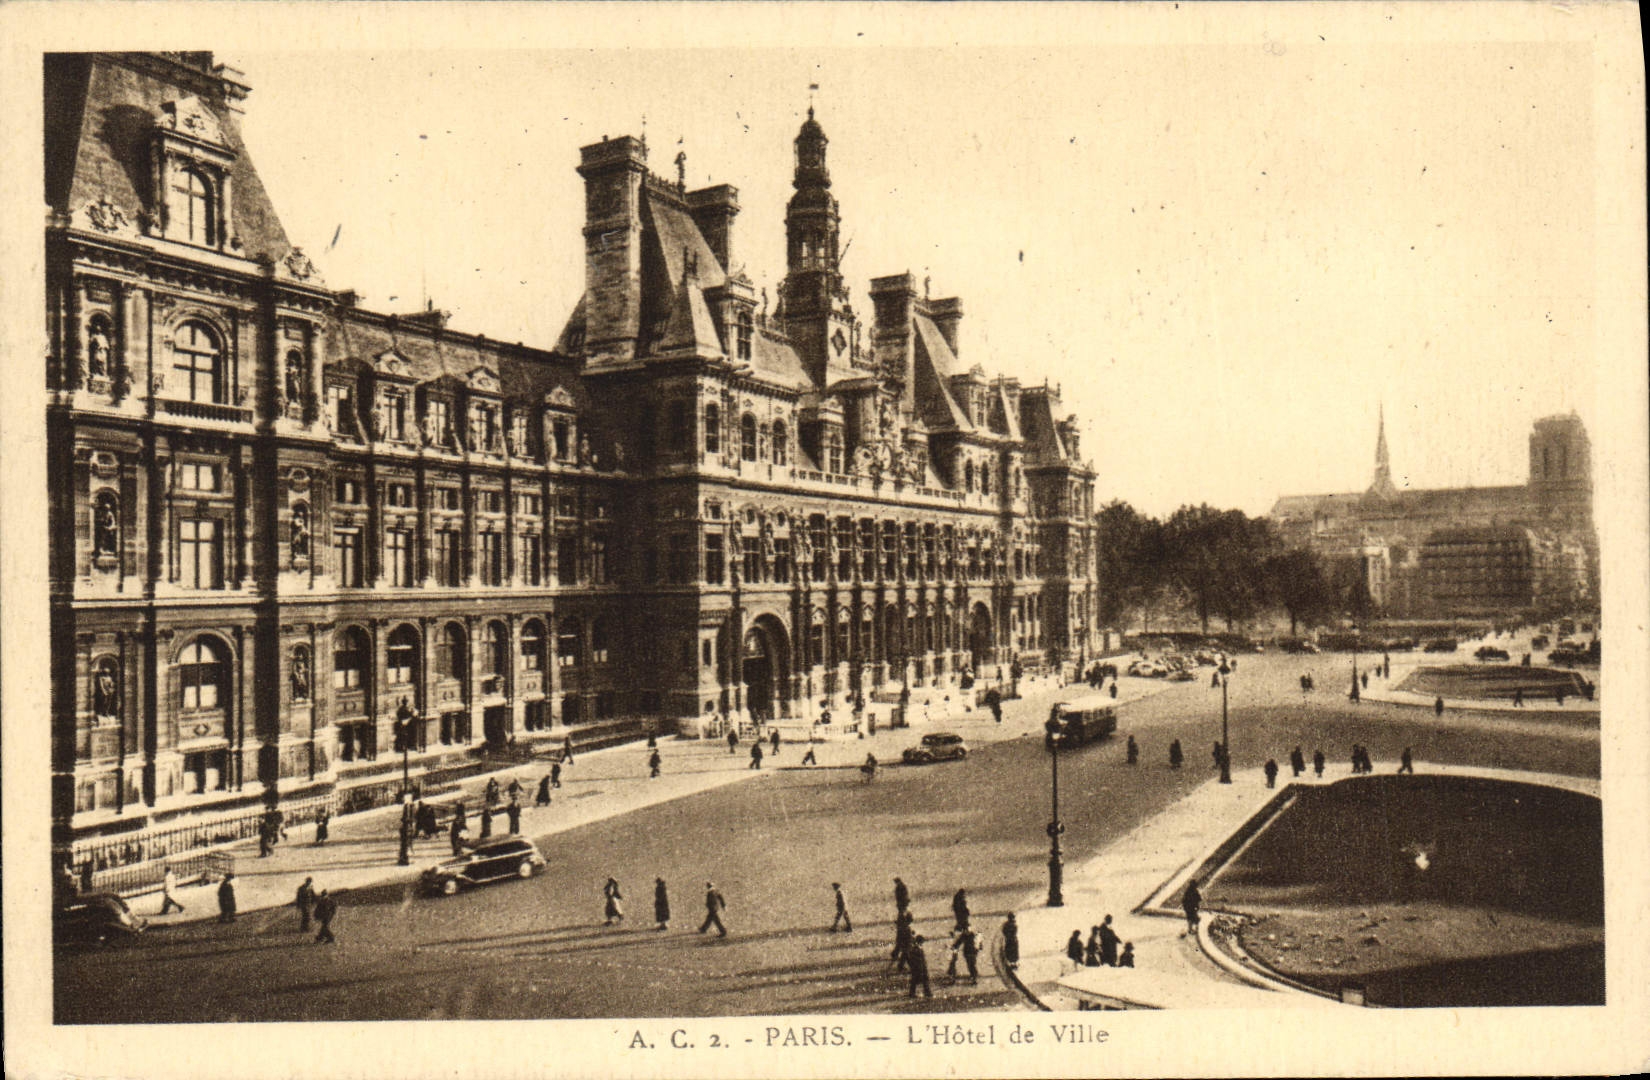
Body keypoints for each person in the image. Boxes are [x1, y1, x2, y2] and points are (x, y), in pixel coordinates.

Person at [906, 934, 933, 998]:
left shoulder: (916, 949)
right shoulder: (916, 949)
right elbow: (916, 960)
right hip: (918, 968)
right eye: (921, 942)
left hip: (919, 968)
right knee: (918, 980)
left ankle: (925, 992)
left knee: (918, 981)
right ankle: (926, 992)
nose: (922, 944)